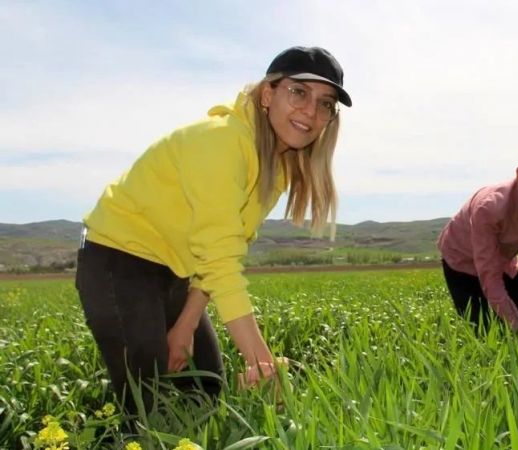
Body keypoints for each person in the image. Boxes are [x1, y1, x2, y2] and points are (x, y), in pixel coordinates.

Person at [75, 46, 352, 412]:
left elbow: (224, 247)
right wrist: (263, 365)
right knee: (145, 405)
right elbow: (221, 261)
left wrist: (186, 325)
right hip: (118, 260)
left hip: (176, 269)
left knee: (206, 391)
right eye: (298, 92)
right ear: (268, 94)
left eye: (325, 103)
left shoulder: (276, 168)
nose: (310, 111)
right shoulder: (221, 142)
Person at [437, 143, 518, 332]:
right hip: (461, 262)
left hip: (504, 261)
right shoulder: (489, 207)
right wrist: (514, 323)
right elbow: (489, 272)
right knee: (484, 331)